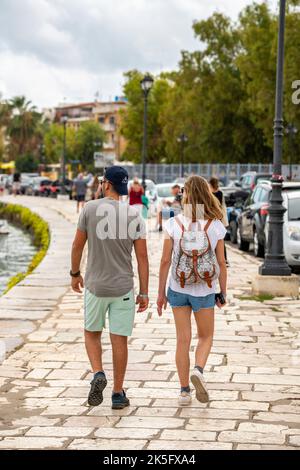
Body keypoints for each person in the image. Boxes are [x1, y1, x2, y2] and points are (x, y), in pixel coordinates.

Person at [70, 166, 149, 410]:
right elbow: (143, 258)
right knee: (119, 340)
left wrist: (75, 274)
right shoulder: (135, 215)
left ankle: (97, 373)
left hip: (95, 285)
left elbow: (77, 246)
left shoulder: (89, 209)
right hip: (123, 287)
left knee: (92, 333)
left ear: (106, 184)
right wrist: (144, 291)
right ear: (123, 187)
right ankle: (117, 393)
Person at [157, 175, 227, 406]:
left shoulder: (173, 223)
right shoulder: (215, 225)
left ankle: (184, 391)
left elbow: (165, 260)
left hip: (178, 287)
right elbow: (221, 262)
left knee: (182, 340)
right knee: (206, 336)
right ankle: (198, 369)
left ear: (185, 195)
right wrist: (222, 291)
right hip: (205, 289)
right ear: (207, 195)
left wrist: (160, 293)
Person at [209, 177, 229, 265]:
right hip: (219, 218)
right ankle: (224, 259)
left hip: (212, 217)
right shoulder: (220, 193)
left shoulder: (209, 193)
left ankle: (214, 259)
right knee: (220, 239)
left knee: (211, 239)